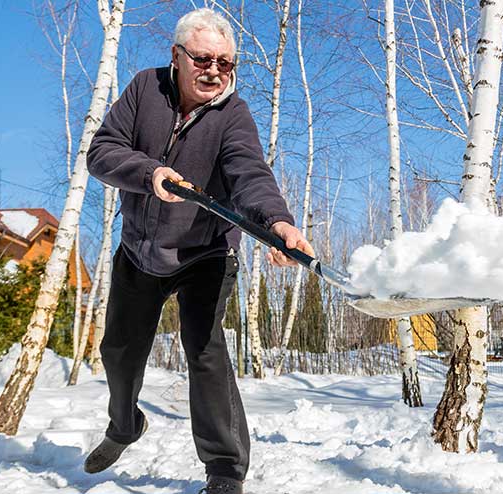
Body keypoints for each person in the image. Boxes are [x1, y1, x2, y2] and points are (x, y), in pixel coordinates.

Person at [84, 8, 313, 494]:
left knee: (205, 351)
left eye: (226, 63)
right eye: (204, 58)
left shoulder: (234, 115)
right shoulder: (146, 88)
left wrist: (279, 224)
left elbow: (249, 173)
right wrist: (149, 174)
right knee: (119, 352)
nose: (215, 70)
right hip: (140, 249)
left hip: (206, 252)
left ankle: (225, 469)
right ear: (177, 56)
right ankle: (124, 426)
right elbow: (102, 151)